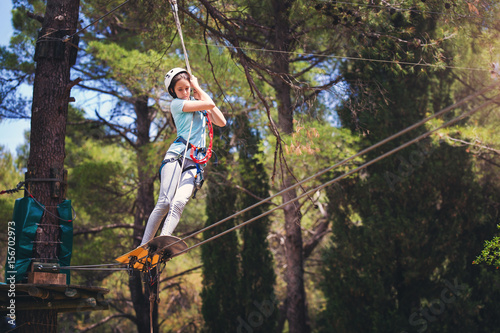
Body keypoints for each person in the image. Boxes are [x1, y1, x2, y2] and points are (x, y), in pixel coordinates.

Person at [140, 68, 226, 245]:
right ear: (173, 91)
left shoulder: (199, 103)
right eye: (180, 89)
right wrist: (198, 87)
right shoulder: (177, 105)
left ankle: (162, 241)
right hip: (177, 155)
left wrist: (197, 90)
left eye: (187, 88)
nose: (185, 92)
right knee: (165, 202)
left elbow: (222, 122)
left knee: (179, 202)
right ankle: (144, 245)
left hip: (195, 162)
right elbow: (209, 104)